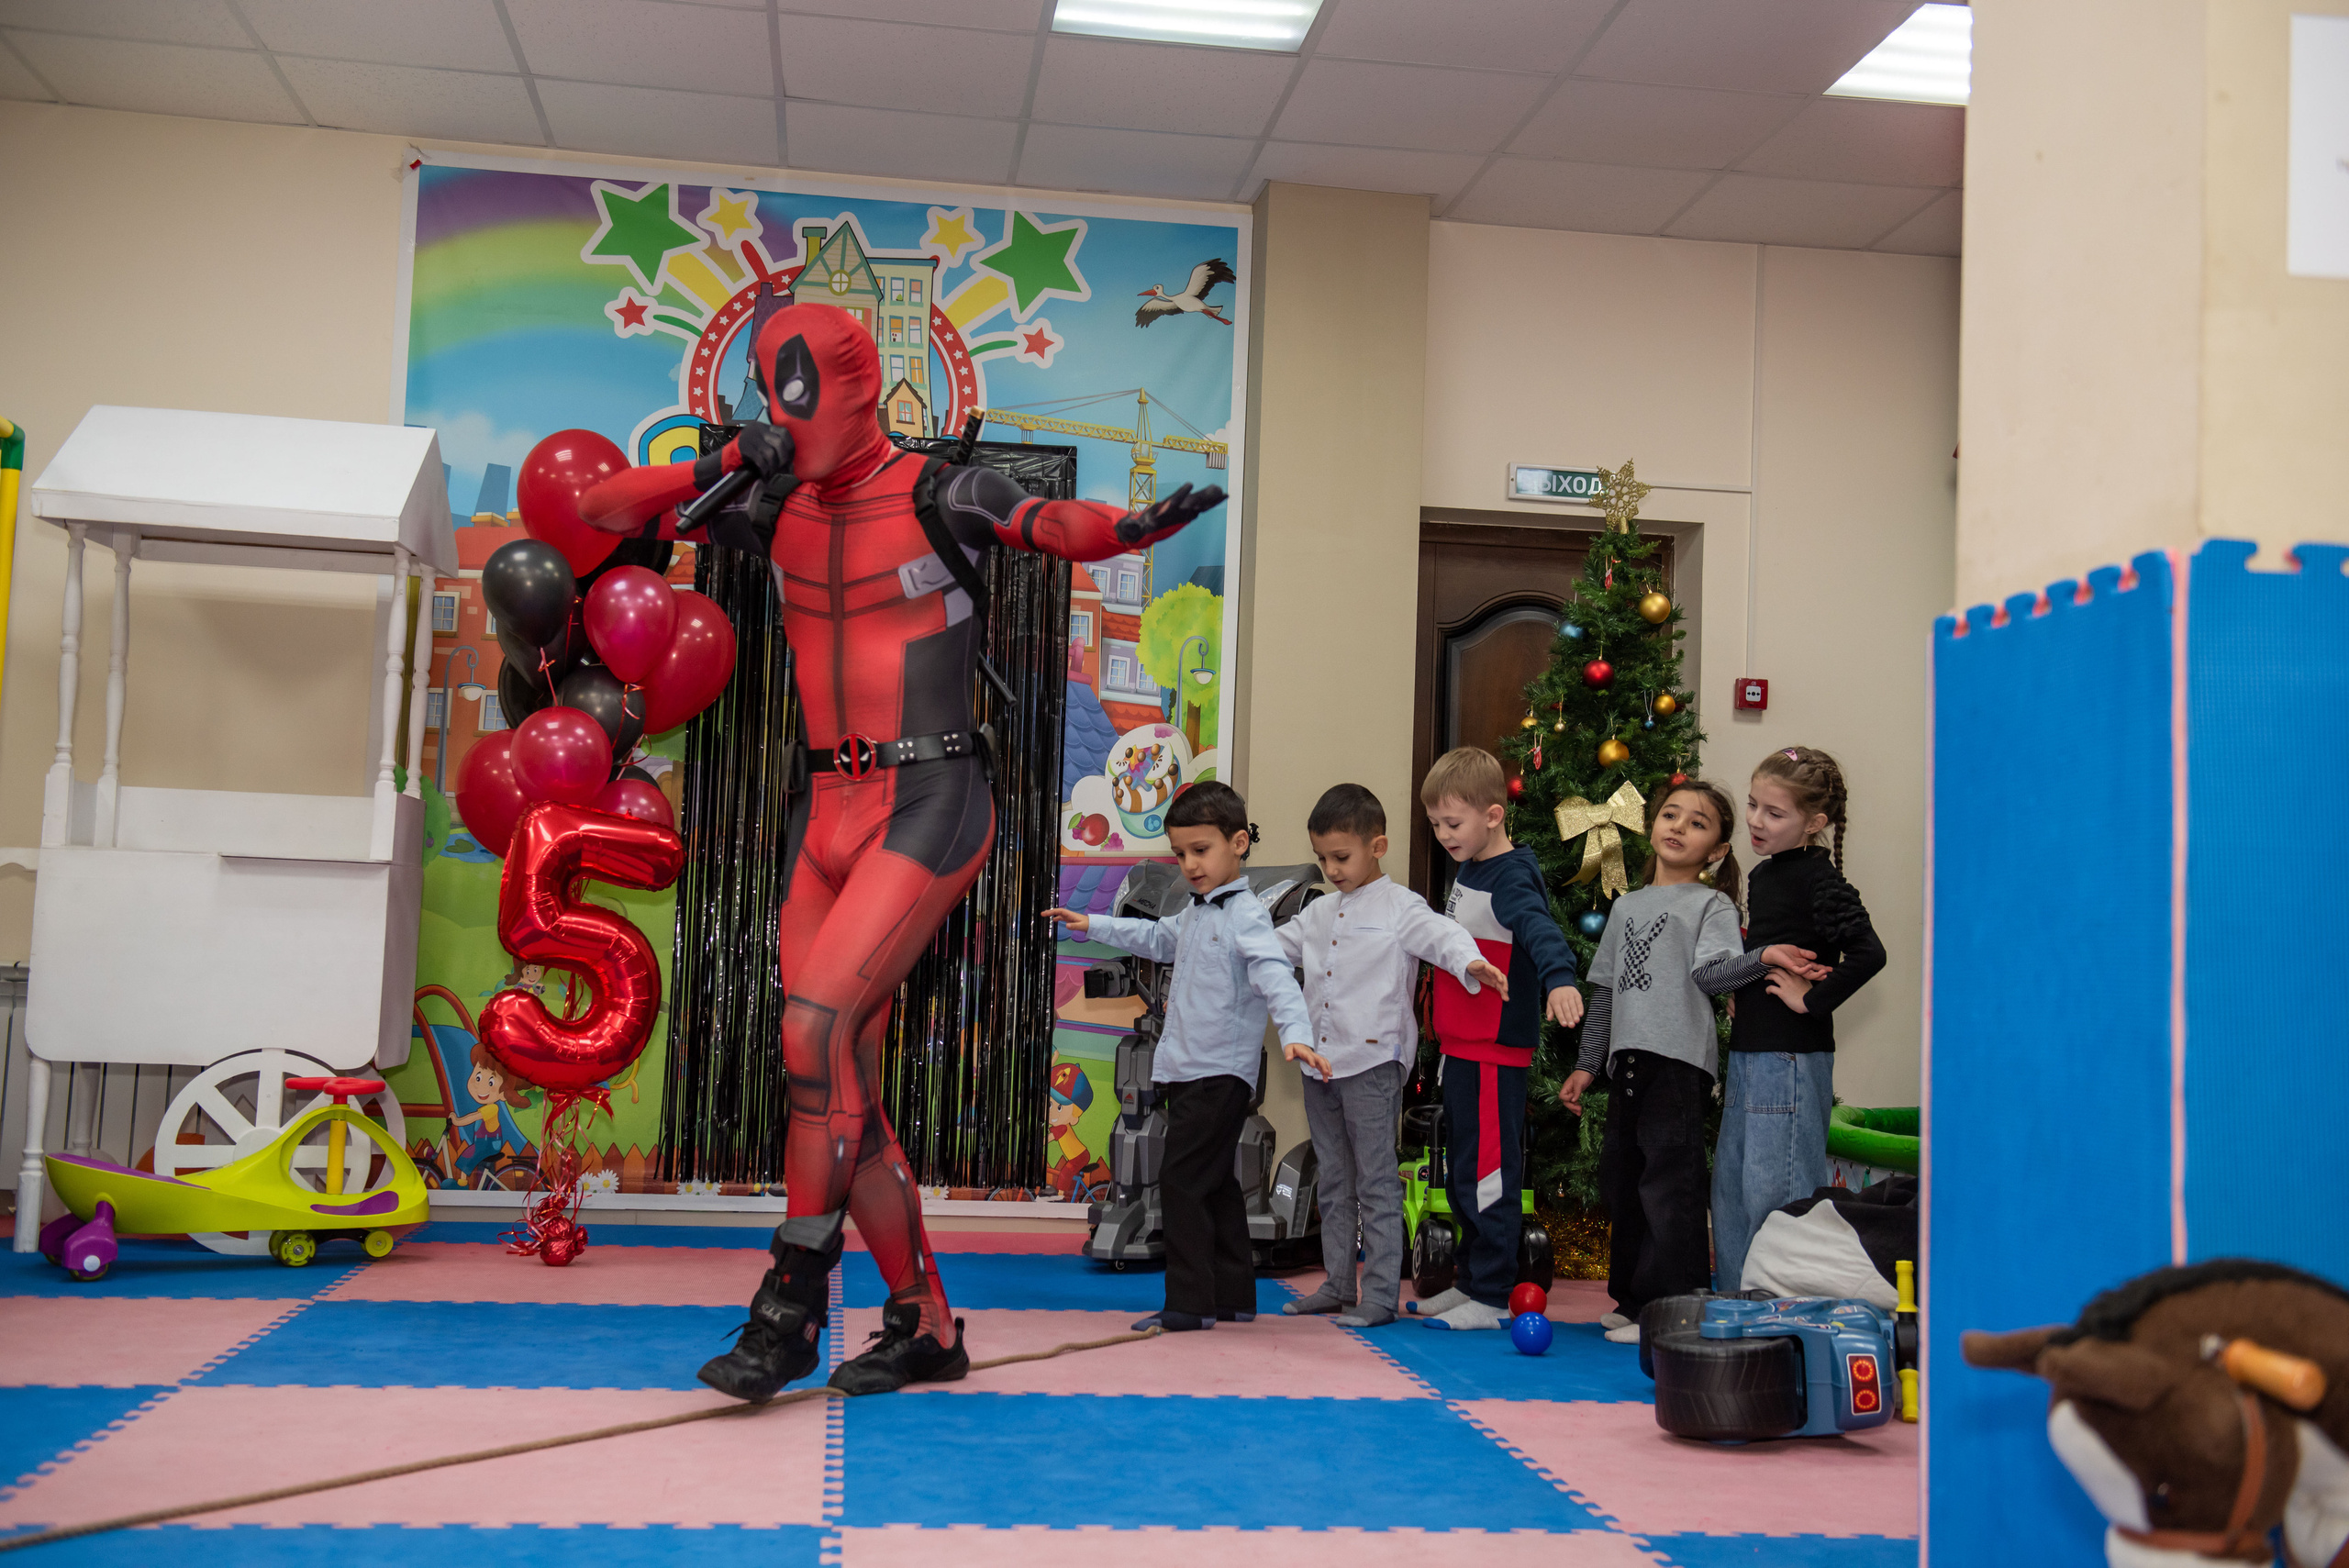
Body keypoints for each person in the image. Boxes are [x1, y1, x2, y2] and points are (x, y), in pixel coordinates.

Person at [575, 300, 1226, 1401]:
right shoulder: (768, 505)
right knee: (835, 1082)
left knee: (813, 1025)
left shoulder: (940, 489)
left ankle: (788, 1307)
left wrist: (1135, 530)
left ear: (853, 392)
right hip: (820, 808)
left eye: (794, 396)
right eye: (766, 399)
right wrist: (737, 455)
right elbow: (601, 507)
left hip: (931, 794)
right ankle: (925, 1322)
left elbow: (1049, 525)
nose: (782, 417)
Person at [1043, 782, 1324, 1332]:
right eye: (1180, 854)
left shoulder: (1246, 917)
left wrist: (1296, 1032)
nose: (1190, 865)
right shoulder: (1196, 914)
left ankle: (1189, 1302)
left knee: (1181, 1180)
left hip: (1219, 1073)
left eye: (1202, 851)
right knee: (1215, 1182)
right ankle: (1234, 1296)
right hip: (1188, 1070)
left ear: (1238, 843)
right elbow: (1154, 937)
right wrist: (1092, 924)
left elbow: (1275, 977)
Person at [1558, 780, 1825, 1343]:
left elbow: (1712, 974)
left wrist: (1764, 957)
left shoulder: (1712, 904)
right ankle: (1633, 1300)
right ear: (1651, 825)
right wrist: (1586, 1065)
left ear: (1718, 851)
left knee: (1669, 1186)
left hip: (1678, 1067)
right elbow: (1604, 991)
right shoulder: (1627, 903)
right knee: (1623, 1180)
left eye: (1697, 823)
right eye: (1670, 816)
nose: (1678, 827)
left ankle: (1671, 1304)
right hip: (1625, 1065)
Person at [1273, 784, 1509, 1328]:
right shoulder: (1318, 913)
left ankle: (1378, 1294)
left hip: (1372, 1064)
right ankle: (1336, 1283)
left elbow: (1442, 935)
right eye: (1322, 859)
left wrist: (1469, 962)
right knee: (1333, 1177)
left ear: (1377, 846)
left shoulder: (1401, 906)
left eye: (1341, 857)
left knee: (1377, 1181)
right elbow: (1270, 951)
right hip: (1319, 1062)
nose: (1331, 869)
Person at [1413, 748, 1582, 1330]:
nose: (1442, 835)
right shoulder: (1471, 866)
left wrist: (1560, 979)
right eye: (1434, 824)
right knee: (1462, 1173)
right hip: (1462, 1048)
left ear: (1493, 815)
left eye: (1452, 824)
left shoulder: (1510, 875)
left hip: (1492, 1053)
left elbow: (1538, 927)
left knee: (1489, 1175)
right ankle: (1470, 1279)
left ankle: (1490, 1293)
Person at [1714, 745, 1888, 1294]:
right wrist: (1743, 988)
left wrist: (1810, 1001)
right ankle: (1740, 1309)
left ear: (1814, 824)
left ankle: (1779, 1323)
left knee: (1776, 1193)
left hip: (1789, 1059)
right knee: (1731, 1191)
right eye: (1752, 805)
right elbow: (1775, 948)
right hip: (1750, 1053)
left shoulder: (1818, 879)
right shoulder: (1766, 876)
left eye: (1774, 812)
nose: (1756, 821)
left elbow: (1869, 952)